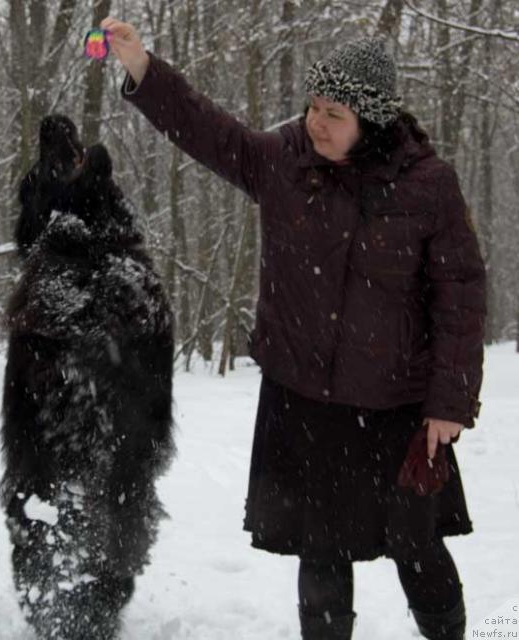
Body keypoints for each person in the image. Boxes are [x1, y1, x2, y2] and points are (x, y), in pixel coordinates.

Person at [101, 16, 487, 640]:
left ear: (372, 120)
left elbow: (461, 299)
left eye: (333, 113)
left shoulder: (427, 187)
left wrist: (450, 403)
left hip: (397, 408)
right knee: (322, 554)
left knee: (418, 550)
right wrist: (144, 70)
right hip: (305, 399)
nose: (315, 121)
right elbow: (209, 132)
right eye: (312, 105)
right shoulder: (286, 161)